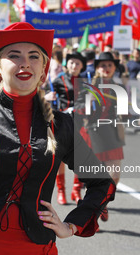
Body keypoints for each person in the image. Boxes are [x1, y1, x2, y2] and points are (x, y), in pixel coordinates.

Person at [0, 22, 116, 254]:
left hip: (37, 247)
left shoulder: (61, 124)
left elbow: (102, 182)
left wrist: (72, 225)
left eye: (34, 56)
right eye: (14, 56)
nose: (25, 63)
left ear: (43, 68)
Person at [80, 52, 125, 221]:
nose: (106, 68)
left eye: (109, 65)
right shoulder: (89, 85)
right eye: (103, 65)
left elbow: (124, 112)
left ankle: (102, 203)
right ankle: (92, 212)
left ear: (114, 68)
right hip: (93, 131)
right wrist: (88, 101)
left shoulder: (118, 87)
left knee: (114, 174)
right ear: (97, 68)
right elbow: (80, 110)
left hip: (112, 131)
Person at [50, 52, 87, 205]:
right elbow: (50, 99)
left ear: (82, 66)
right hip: (62, 120)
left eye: (77, 63)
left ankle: (76, 190)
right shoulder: (58, 80)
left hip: (81, 121)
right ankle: (61, 190)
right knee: (61, 157)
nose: (74, 66)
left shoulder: (87, 81)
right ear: (67, 64)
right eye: (71, 62)